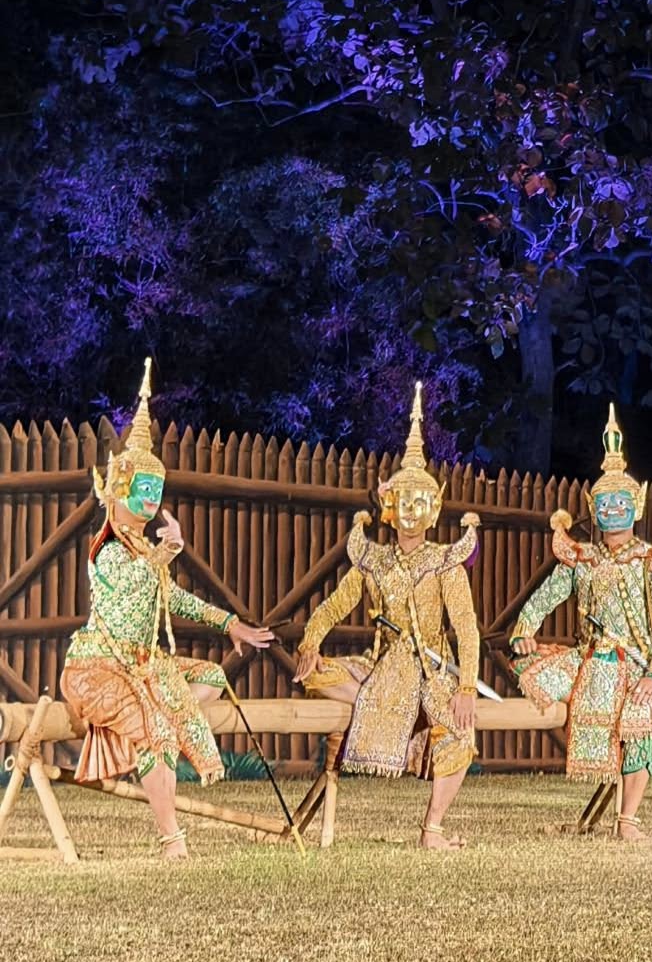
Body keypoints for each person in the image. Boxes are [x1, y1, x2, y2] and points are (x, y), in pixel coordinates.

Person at [59, 360, 276, 860]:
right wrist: (167, 551)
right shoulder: (108, 549)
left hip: (144, 667)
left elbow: (170, 598)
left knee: (212, 677)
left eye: (157, 491)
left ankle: (161, 722)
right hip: (99, 668)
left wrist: (230, 624)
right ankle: (172, 839)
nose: (152, 499)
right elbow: (134, 586)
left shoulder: (142, 548)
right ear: (119, 488)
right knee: (157, 729)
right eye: (144, 489)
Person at [294, 383, 482, 850]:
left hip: (430, 672)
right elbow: (333, 606)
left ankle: (432, 828)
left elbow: (466, 627)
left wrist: (465, 687)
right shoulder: (373, 560)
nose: (411, 513)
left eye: (421, 503)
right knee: (315, 675)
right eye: (404, 502)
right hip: (378, 668)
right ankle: (375, 705)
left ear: (434, 510)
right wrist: (311, 642)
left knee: (460, 735)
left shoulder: (445, 562)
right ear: (389, 507)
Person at [508, 407, 652, 840]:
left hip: (638, 665)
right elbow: (545, 598)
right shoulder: (583, 559)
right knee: (530, 673)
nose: (613, 509)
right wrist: (523, 631)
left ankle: (627, 819)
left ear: (637, 507)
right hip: (589, 661)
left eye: (621, 502)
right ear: (593, 509)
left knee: (642, 719)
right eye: (605, 504)